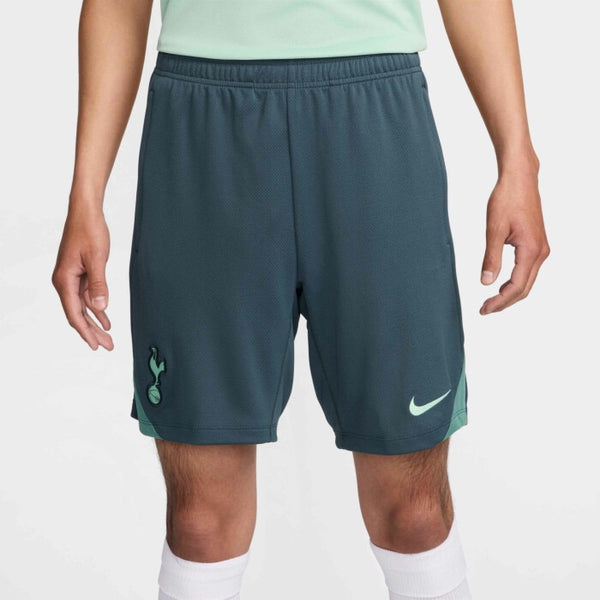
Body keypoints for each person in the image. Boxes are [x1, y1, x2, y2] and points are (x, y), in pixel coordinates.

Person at [52, 1, 550, 598]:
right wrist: (85, 193)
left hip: (374, 115)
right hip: (202, 124)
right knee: (200, 522)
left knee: (414, 511)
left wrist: (517, 158)